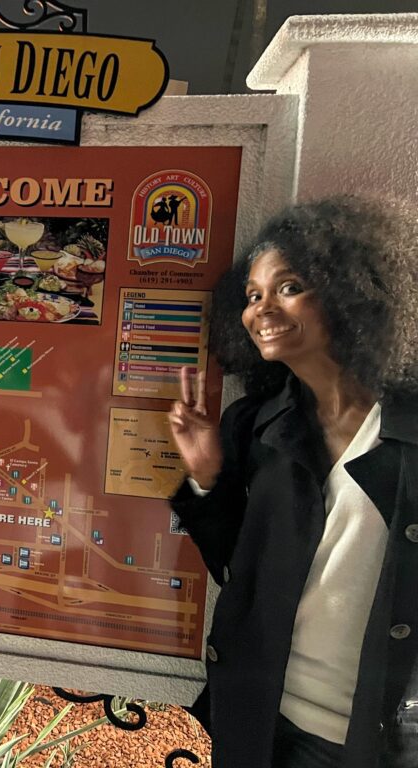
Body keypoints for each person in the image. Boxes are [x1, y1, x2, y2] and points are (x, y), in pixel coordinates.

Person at [168, 196, 418, 768]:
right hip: (265, 719)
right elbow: (241, 566)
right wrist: (207, 478)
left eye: (288, 286)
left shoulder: (407, 423)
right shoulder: (259, 423)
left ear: (349, 288)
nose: (261, 309)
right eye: (252, 295)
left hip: (378, 740)